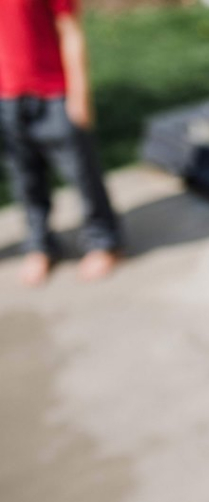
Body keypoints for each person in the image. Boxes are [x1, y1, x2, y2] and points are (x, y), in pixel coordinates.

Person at [0, 0, 122, 287]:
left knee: (81, 173)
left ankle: (103, 241)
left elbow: (70, 30)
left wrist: (79, 93)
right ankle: (40, 244)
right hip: (7, 98)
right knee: (25, 178)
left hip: (54, 94)